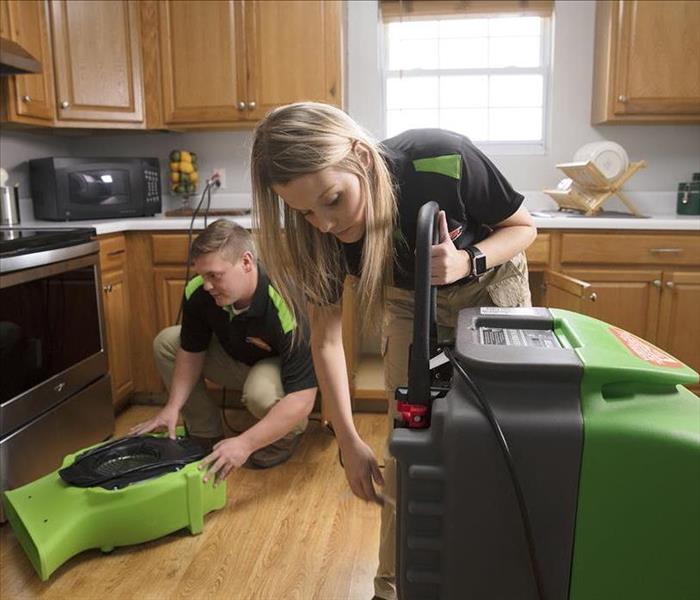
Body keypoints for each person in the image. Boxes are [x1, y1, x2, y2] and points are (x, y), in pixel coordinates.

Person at [250, 102, 536, 600]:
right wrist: (347, 439)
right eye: (304, 212)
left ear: (359, 155)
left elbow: (524, 227)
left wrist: (468, 260)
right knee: (411, 441)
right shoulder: (316, 235)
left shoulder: (439, 158)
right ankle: (390, 587)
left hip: (487, 288)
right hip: (407, 301)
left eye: (332, 200)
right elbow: (326, 340)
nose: (323, 224)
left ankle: (500, 575)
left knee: (498, 436)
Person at [129, 219, 317, 482]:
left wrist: (246, 444)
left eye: (215, 275)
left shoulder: (283, 304)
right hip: (236, 356)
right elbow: (191, 351)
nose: (206, 285)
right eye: (202, 275)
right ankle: (205, 434)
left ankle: (287, 434)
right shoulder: (199, 291)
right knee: (167, 342)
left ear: (247, 262)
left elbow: (303, 397)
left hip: (278, 371)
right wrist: (173, 406)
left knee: (260, 393)